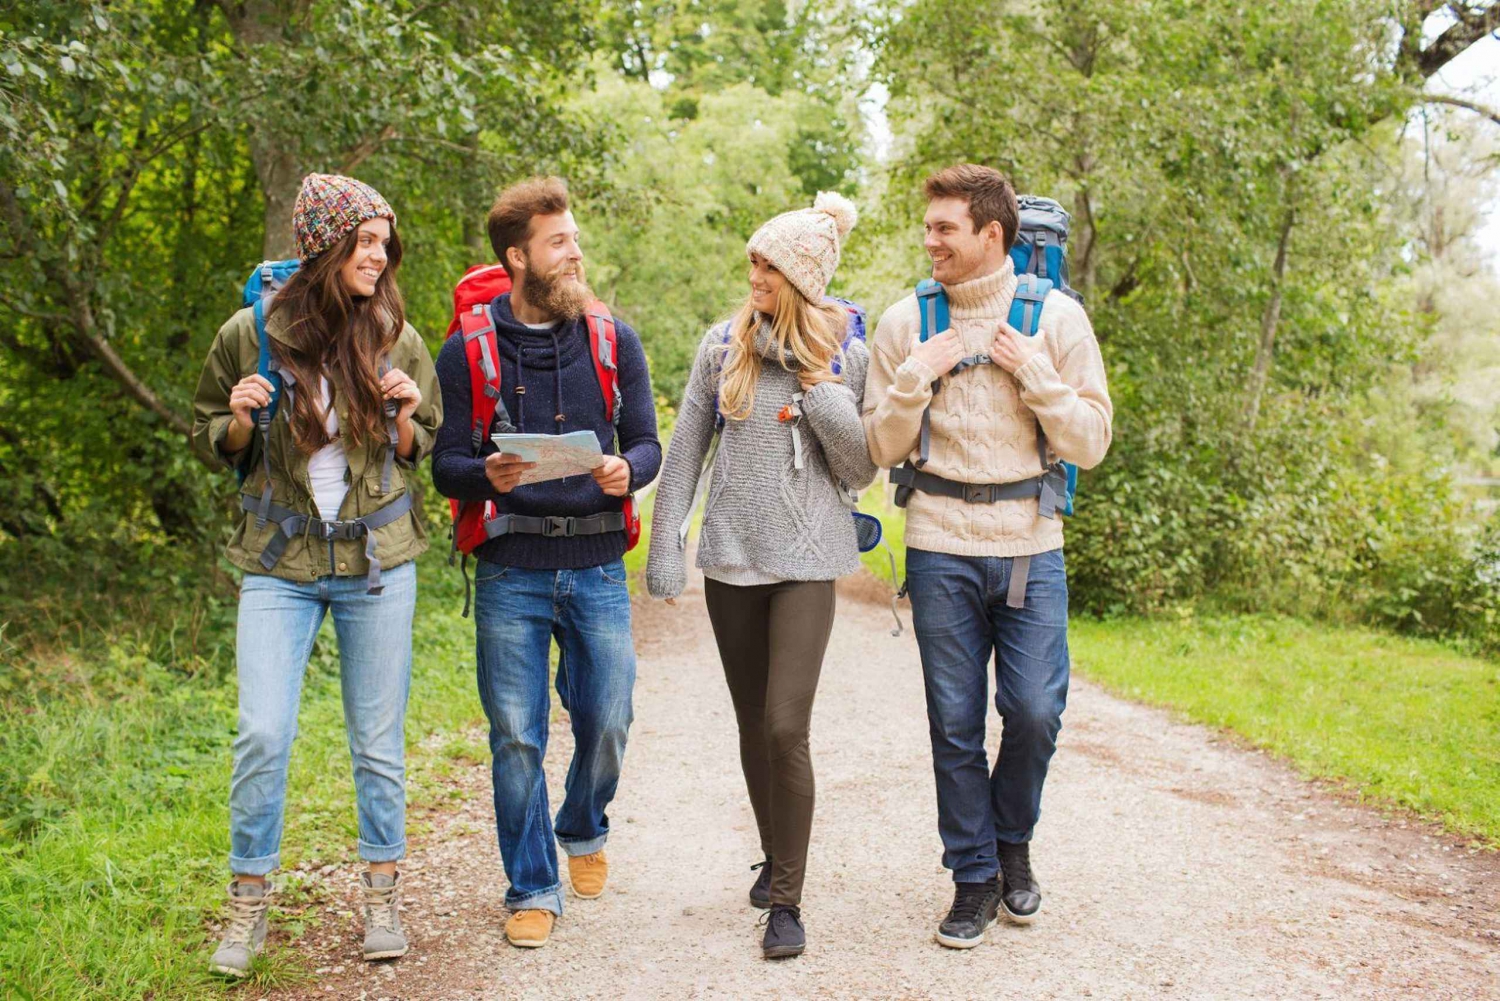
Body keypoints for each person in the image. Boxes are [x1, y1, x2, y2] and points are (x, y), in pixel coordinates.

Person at [191, 173, 442, 975]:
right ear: (325, 245)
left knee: (376, 742)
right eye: (366, 241)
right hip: (279, 560)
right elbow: (207, 437)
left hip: (375, 558)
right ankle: (248, 902)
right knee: (263, 731)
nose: (380, 255)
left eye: (384, 242)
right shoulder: (250, 332)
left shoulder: (396, 334)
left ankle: (380, 895)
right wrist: (235, 420)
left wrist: (405, 416)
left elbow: (422, 443)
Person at [862, 164, 1112, 948]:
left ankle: (1014, 841)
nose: (929, 239)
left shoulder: (1057, 319)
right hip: (939, 541)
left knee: (1035, 711)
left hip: (1031, 543)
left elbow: (1092, 441)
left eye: (945, 227)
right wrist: (912, 382)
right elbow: (878, 446)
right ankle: (973, 877)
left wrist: (1036, 376)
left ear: (991, 235)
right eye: (929, 225)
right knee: (955, 721)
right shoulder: (908, 321)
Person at [430, 177, 661, 949]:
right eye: (559, 242)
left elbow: (647, 443)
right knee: (517, 734)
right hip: (511, 566)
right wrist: (483, 475)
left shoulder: (612, 339)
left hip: (596, 562)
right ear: (517, 255)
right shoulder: (468, 350)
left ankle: (584, 821)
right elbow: (445, 464)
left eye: (574, 238)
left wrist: (629, 470)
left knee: (609, 715)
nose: (575, 252)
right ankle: (532, 884)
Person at [646, 192, 875, 959]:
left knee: (786, 725)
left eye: (768, 265)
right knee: (751, 725)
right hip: (732, 560)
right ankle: (776, 857)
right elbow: (686, 450)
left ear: (803, 277)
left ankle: (787, 902)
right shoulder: (723, 346)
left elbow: (862, 466)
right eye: (752, 260)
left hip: (809, 562)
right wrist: (665, 542)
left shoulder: (845, 353)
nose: (754, 275)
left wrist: (819, 389)